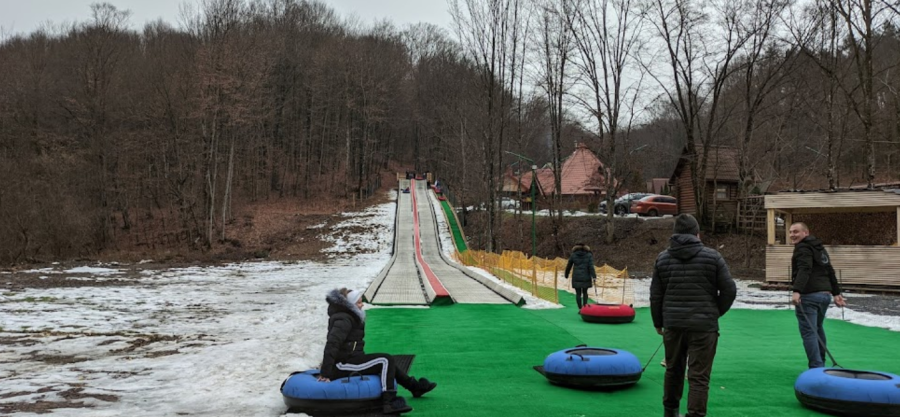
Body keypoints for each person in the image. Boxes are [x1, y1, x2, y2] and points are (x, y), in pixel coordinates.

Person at [650, 214, 736, 417]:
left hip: (674, 325)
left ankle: (670, 412)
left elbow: (656, 295)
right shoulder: (713, 257)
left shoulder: (662, 258)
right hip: (704, 327)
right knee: (699, 377)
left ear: (674, 234)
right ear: (697, 234)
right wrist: (715, 312)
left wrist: (658, 322)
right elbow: (729, 290)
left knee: (673, 370)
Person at [318, 288, 436, 414]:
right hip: (342, 364)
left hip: (352, 359)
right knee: (385, 360)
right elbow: (332, 344)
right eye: (358, 302)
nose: (362, 304)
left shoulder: (349, 316)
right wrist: (326, 372)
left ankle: (415, 387)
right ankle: (389, 403)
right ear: (350, 305)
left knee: (387, 362)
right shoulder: (344, 319)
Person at [789, 222, 846, 368]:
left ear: (806, 233)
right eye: (790, 232)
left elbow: (805, 268)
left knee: (809, 332)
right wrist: (836, 292)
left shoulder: (802, 248)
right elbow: (829, 270)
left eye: (796, 232)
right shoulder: (819, 248)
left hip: (809, 296)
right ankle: (821, 364)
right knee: (817, 328)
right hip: (824, 296)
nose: (792, 235)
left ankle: (816, 367)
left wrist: (797, 290)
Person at [564, 243, 596, 310]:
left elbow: (569, 265)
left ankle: (580, 309)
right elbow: (591, 267)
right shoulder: (588, 255)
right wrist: (594, 276)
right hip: (586, 276)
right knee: (585, 292)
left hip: (576, 276)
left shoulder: (573, 255)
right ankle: (585, 308)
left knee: (578, 293)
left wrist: (566, 274)